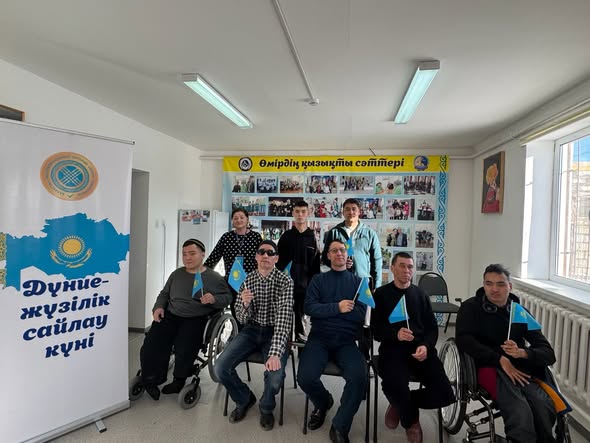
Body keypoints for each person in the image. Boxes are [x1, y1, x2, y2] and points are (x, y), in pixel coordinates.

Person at [456, 264, 557, 443]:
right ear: (483, 285)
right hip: (488, 366)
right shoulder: (470, 308)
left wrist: (523, 353)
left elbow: (548, 353)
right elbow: (464, 340)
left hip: (520, 369)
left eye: (501, 284)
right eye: (489, 283)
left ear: (510, 286)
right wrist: (500, 359)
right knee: (520, 410)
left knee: (543, 405)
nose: (494, 289)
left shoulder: (520, 313)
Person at [371, 252, 454, 443]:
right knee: (394, 385)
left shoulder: (421, 295)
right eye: (402, 266)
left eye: (410, 266)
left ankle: (400, 403)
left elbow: (432, 329)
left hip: (420, 350)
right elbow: (375, 329)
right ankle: (411, 422)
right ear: (392, 268)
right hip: (392, 349)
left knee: (446, 394)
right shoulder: (381, 295)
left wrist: (426, 346)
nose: (406, 270)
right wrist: (395, 334)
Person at [215, 240, 294, 431]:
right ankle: (244, 399)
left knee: (275, 378)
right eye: (262, 252)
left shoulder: (285, 281)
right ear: (256, 256)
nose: (265, 255)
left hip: (275, 332)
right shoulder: (247, 279)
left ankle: (266, 407)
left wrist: (275, 353)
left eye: (270, 253)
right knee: (220, 368)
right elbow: (241, 318)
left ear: (276, 258)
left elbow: (284, 319)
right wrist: (244, 304)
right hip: (251, 330)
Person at [139, 238, 231, 400]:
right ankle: (151, 379)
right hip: (171, 315)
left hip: (195, 318)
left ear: (202, 254)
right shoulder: (177, 274)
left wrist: (214, 298)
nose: (187, 258)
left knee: (185, 346)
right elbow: (164, 294)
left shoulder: (214, 278)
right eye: (184, 254)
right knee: (152, 342)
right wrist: (158, 307)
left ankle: (179, 380)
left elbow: (228, 297)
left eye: (192, 253)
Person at [297, 240, 368, 443]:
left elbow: (360, 314)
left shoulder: (359, 283)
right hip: (319, 338)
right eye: (334, 250)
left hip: (346, 341)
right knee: (305, 377)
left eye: (342, 250)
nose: (339, 253)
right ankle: (323, 402)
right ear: (328, 255)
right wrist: (337, 307)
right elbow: (309, 307)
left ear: (347, 255)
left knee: (359, 377)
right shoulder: (318, 280)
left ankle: (340, 425)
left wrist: (326, 310)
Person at [277, 200, 320, 342]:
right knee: (285, 319)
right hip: (286, 286)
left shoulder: (313, 237)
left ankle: (302, 349)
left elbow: (315, 265)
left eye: (303, 212)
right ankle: (286, 348)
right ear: (293, 213)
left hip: (305, 286)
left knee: (302, 321)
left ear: (308, 213)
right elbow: (278, 262)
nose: (300, 214)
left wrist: (314, 287)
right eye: (297, 211)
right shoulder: (286, 236)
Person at [204, 208, 263, 312]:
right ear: (232, 221)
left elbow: (262, 258)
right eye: (235, 218)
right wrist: (202, 273)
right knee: (236, 310)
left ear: (247, 219)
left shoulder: (256, 237)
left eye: (242, 217)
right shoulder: (226, 237)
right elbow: (213, 257)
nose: (239, 220)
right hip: (232, 282)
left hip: (252, 282)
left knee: (253, 310)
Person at [321, 198, 382, 290]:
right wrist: (340, 264)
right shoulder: (334, 232)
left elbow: (376, 260)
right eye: (347, 209)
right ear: (343, 212)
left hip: (363, 284)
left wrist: (377, 286)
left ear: (359, 212)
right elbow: (325, 257)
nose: (351, 212)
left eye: (354, 209)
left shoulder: (370, 233)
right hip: (339, 282)